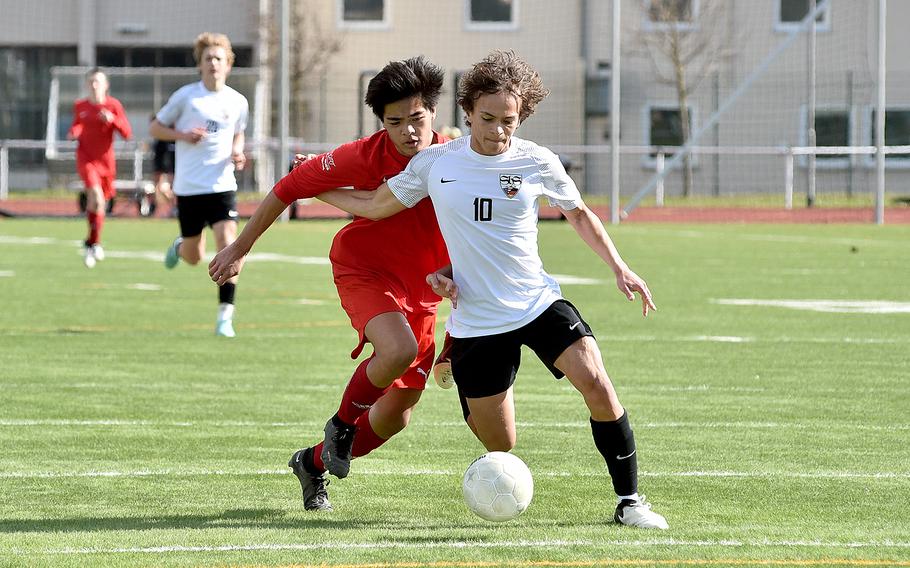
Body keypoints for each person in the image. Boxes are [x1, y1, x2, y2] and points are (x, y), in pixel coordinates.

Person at [312, 50, 669, 529]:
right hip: (477, 321)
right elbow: (374, 206)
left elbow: (579, 214)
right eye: (488, 118)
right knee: (502, 445)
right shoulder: (435, 164)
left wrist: (620, 267)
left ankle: (630, 502)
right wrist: (310, 184)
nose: (499, 131)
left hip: (538, 302)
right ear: (467, 110)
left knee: (598, 385)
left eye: (509, 121)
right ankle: (459, 377)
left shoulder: (537, 160)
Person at [208, 57, 450, 510]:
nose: (408, 131)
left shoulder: (454, 156)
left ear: (433, 113)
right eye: (395, 122)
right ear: (381, 123)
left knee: (398, 415)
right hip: (366, 270)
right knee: (394, 350)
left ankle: (313, 462)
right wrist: (239, 248)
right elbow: (288, 186)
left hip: (425, 289)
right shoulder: (361, 154)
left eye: (417, 118)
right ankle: (340, 424)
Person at [150, 32, 249, 337]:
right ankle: (181, 246)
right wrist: (183, 135)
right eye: (208, 59)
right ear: (200, 65)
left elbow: (238, 133)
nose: (213, 64)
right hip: (190, 188)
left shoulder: (238, 101)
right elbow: (155, 127)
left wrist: (238, 152)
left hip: (222, 185)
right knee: (194, 257)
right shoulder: (186, 97)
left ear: (228, 65)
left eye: (219, 59)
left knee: (229, 244)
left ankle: (225, 317)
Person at [67, 68, 132, 268]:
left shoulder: (113, 105)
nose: (94, 85)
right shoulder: (80, 105)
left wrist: (113, 120)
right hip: (86, 159)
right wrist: (74, 131)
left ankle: (92, 241)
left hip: (106, 162)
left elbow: (127, 133)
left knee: (99, 204)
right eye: (91, 81)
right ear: (88, 84)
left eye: (98, 81)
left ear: (106, 85)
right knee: (94, 195)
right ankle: (93, 243)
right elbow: (77, 125)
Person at [150, 113, 177, 217]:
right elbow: (158, 158)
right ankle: (173, 206)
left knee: (174, 190)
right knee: (160, 189)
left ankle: (174, 207)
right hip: (164, 170)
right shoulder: (160, 141)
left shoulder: (175, 138)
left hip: (175, 170)